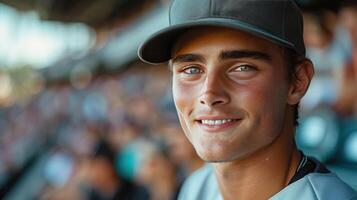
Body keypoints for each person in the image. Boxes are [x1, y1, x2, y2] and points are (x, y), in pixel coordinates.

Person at [138, 0, 357, 199]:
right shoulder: (196, 187)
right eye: (191, 69)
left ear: (298, 80)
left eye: (242, 68)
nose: (209, 95)